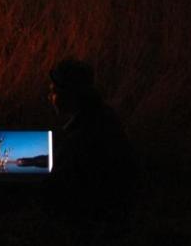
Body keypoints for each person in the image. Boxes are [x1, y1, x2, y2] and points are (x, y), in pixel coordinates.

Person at [46, 58, 135, 225]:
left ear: (69, 94)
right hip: (116, 209)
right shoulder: (105, 115)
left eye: (54, 91)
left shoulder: (80, 137)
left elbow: (62, 186)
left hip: (96, 218)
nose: (50, 97)